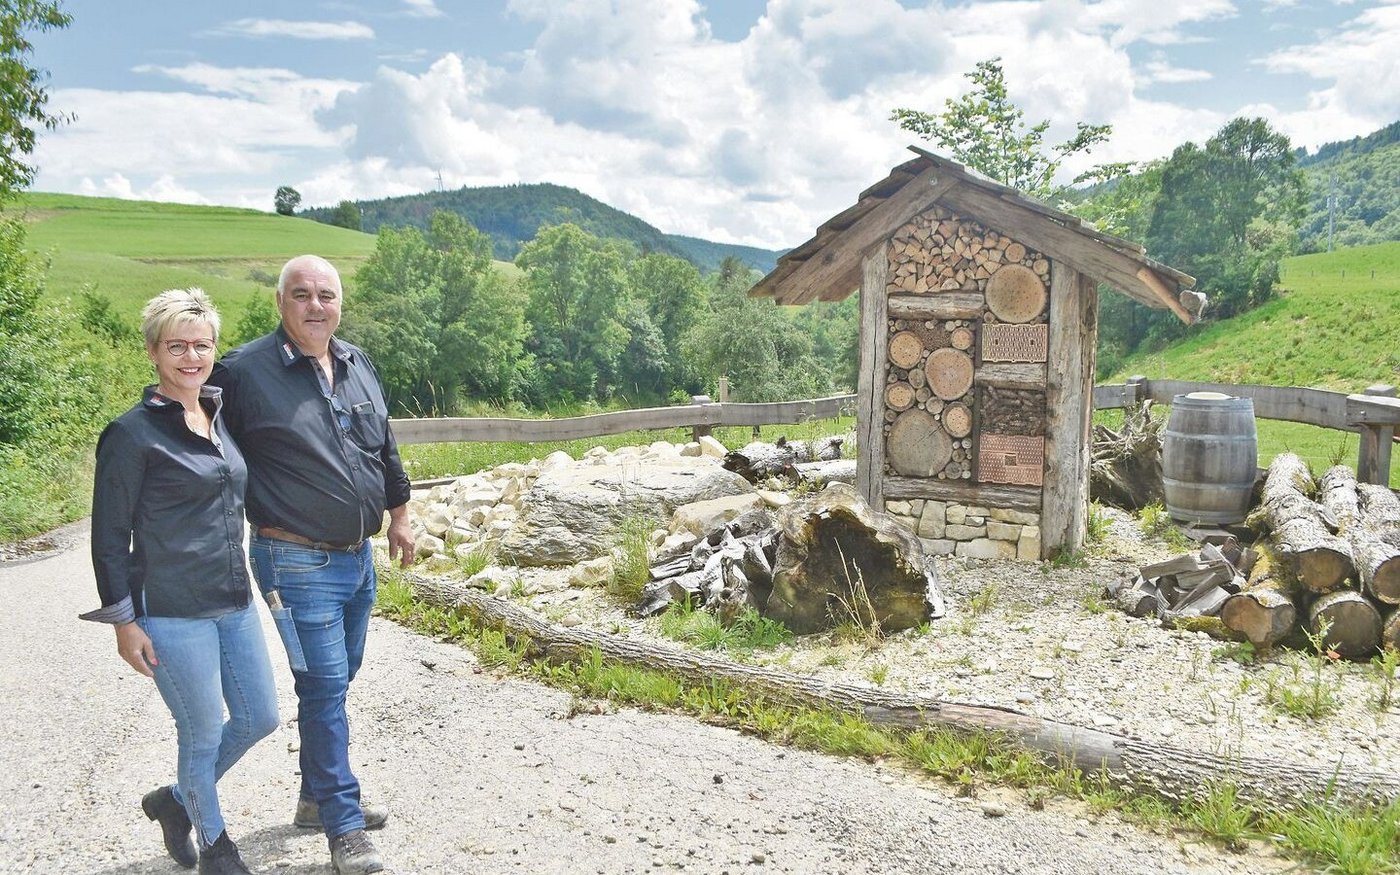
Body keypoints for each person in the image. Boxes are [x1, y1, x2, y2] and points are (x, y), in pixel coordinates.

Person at [211, 254, 413, 875]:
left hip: (358, 558)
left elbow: (384, 444)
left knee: (338, 677)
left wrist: (400, 514)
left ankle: (311, 799)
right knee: (324, 688)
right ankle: (343, 827)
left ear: (340, 303)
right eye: (301, 294)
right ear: (281, 303)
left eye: (327, 294)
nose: (315, 305)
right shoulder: (243, 373)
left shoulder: (356, 362)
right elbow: (199, 447)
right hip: (291, 558)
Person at [84, 289, 277, 875]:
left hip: (234, 600)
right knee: (199, 733)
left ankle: (174, 800)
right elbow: (109, 536)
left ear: (214, 350)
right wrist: (123, 623)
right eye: (177, 346)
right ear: (153, 352)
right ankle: (218, 849)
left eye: (201, 345)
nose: (191, 357)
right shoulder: (132, 434)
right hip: (170, 609)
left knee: (258, 719)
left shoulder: (217, 417)